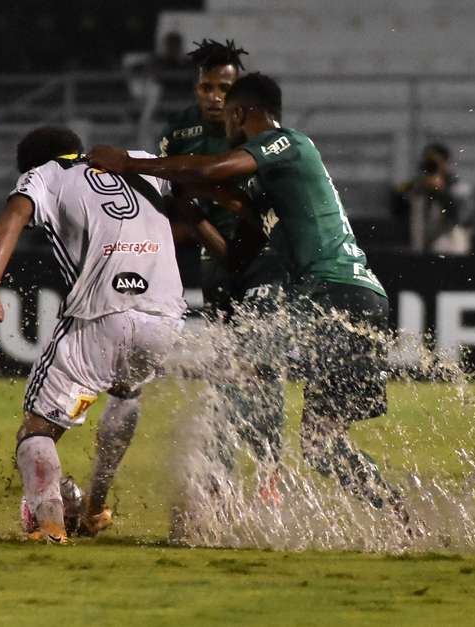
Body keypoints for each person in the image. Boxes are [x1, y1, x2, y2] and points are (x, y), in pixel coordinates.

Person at [91, 73, 412, 524]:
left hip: (337, 297)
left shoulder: (291, 143)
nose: (224, 124)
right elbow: (236, 258)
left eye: (228, 116)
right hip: (359, 305)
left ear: (242, 114)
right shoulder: (266, 194)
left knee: (237, 365)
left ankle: (210, 503)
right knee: (321, 445)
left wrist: (128, 162)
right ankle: (400, 514)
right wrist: (190, 211)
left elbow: (210, 169)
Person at [0, 127, 186, 543]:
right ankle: (95, 507)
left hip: (102, 315)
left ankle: (51, 525)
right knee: (126, 392)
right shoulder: (135, 160)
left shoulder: (46, 174)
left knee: (36, 430)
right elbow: (188, 195)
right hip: (166, 320)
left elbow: (16, 210)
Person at [159, 39, 288, 482]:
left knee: (263, 362)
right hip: (214, 260)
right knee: (229, 364)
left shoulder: (256, 129)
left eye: (223, 87)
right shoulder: (179, 130)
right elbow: (168, 193)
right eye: (206, 87)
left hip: (263, 257)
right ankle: (224, 469)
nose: (214, 96)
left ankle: (270, 466)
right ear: (196, 88)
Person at [396, 143, 472, 254]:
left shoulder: (459, 188)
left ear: (446, 164)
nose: (432, 169)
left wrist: (442, 192)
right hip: (420, 247)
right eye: (429, 165)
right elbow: (397, 210)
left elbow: (461, 219)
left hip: (449, 247)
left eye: (435, 164)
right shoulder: (418, 186)